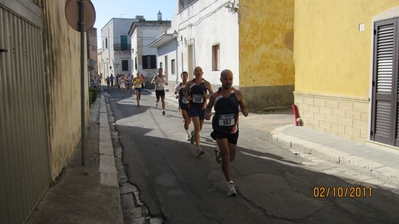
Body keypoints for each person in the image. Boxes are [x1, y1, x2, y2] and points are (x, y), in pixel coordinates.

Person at [205, 69, 248, 196]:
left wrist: (245, 110)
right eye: (225, 79)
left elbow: (243, 106)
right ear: (221, 80)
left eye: (230, 79)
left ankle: (218, 152)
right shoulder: (215, 96)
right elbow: (208, 107)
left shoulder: (238, 94)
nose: (228, 81)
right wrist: (207, 113)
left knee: (232, 157)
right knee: (226, 155)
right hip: (220, 129)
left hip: (233, 129)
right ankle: (230, 184)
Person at [183, 66, 213, 155]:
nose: (199, 72)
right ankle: (198, 147)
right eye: (197, 71)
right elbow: (184, 91)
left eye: (200, 71)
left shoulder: (206, 83)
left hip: (202, 108)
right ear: (194, 73)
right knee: (197, 127)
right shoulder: (190, 83)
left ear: (202, 73)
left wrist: (207, 96)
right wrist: (187, 97)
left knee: (199, 128)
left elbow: (212, 93)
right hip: (193, 107)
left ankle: (193, 134)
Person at [174, 71, 191, 141]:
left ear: (187, 77)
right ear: (181, 77)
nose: (184, 77)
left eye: (186, 75)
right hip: (182, 105)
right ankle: (187, 134)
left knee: (189, 121)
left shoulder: (190, 85)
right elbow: (175, 92)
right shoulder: (179, 86)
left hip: (190, 105)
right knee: (185, 119)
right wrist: (176, 95)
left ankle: (187, 127)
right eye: (183, 75)